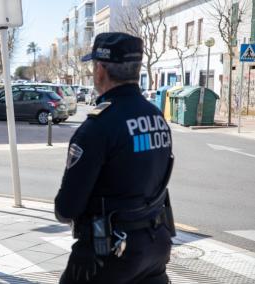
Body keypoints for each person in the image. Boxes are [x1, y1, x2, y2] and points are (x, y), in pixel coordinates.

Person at [54, 32, 175, 284]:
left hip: (108, 254)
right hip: (155, 245)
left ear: (100, 70)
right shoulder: (156, 117)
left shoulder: (97, 127)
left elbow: (66, 209)